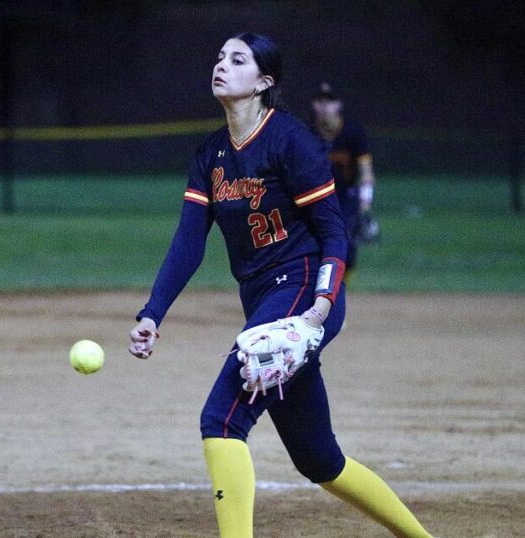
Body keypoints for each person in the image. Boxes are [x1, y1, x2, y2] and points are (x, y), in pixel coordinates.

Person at [127, 33, 433, 538]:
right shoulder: (211, 155)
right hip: (266, 300)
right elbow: (188, 241)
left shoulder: (291, 141)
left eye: (238, 59)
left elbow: (333, 231)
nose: (221, 65)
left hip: (303, 291)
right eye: (220, 56)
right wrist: (152, 312)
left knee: (222, 420)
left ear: (263, 83)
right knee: (319, 459)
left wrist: (318, 308)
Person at [311, 82, 380, 281]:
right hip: (317, 196)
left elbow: (366, 172)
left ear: (339, 105)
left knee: (347, 246)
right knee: (315, 245)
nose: (324, 106)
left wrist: (365, 206)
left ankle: (338, 290)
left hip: (345, 195)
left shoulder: (352, 132)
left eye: (330, 101)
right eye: (319, 101)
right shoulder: (309, 133)